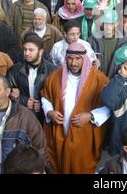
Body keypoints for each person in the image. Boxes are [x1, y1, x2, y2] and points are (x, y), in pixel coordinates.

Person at [40, 42, 110, 174]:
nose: (73, 63)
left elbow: (109, 105)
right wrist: (50, 112)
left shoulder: (99, 79)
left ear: (85, 59)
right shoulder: (55, 77)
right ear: (66, 59)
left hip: (85, 134)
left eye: (78, 59)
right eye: (70, 58)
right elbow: (45, 97)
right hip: (60, 132)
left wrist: (91, 116)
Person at [6, 33, 57, 122]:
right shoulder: (14, 70)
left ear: (41, 52)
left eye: (31, 50)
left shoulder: (53, 71)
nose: (26, 53)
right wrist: (23, 101)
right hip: (21, 117)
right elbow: (6, 93)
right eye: (25, 49)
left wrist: (42, 105)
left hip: (45, 120)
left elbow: (58, 96)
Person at [88, 9, 127, 78]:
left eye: (111, 24)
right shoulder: (92, 41)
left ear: (116, 24)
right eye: (106, 23)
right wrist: (92, 63)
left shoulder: (124, 43)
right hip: (96, 81)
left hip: (114, 83)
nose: (108, 27)